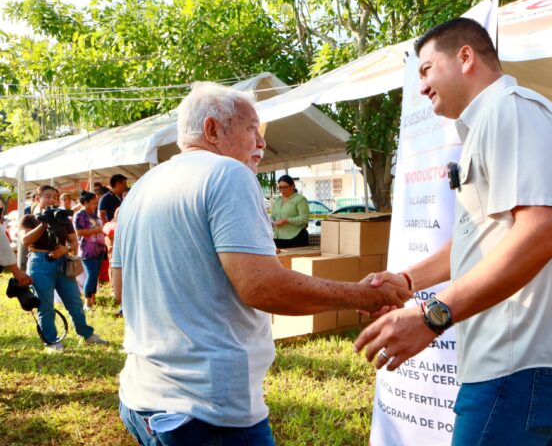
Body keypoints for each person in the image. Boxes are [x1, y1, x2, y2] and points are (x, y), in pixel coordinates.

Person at [354, 18, 552, 445]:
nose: (421, 87)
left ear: (466, 57)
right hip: (525, 363)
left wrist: (432, 315)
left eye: (427, 70)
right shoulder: (491, 121)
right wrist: (408, 282)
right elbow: (484, 236)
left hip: (521, 360)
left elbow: (543, 232)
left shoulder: (510, 109)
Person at [113, 81, 411, 446]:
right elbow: (262, 286)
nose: (261, 142)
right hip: (207, 411)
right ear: (211, 129)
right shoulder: (227, 173)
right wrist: (361, 295)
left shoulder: (141, 189)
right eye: (252, 128)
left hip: (143, 399)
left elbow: (120, 289)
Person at [19, 185, 108, 352]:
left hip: (62, 262)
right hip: (39, 263)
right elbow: (25, 241)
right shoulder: (29, 218)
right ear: (37, 199)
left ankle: (87, 334)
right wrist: (43, 224)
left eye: (55, 196)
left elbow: (74, 241)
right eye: (47, 196)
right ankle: (51, 342)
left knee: (74, 301)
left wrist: (65, 249)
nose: (52, 199)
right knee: (45, 305)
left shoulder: (62, 218)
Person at [73, 191, 106, 311]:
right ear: (85, 203)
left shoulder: (94, 215)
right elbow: (80, 232)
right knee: (91, 275)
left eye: (96, 203)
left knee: (95, 276)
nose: (95, 206)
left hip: (99, 249)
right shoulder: (79, 215)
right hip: (87, 250)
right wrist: (98, 229)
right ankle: (87, 303)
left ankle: (93, 298)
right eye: (93, 203)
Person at [271, 174, 310, 248]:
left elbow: (304, 219)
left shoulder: (300, 199)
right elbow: (272, 216)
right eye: (280, 188)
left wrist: (287, 221)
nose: (282, 190)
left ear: (292, 186)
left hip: (297, 238)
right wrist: (272, 222)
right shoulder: (277, 201)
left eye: (285, 187)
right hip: (278, 238)